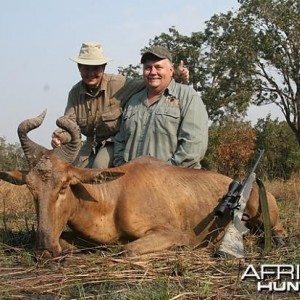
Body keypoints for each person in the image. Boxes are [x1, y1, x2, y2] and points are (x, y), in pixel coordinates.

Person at [52, 42, 189, 168]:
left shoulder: (119, 84)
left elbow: (151, 81)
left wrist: (177, 74)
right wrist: (59, 137)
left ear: (104, 67)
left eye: (96, 69)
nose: (91, 73)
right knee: (73, 173)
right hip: (90, 144)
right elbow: (69, 124)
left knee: (99, 168)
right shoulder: (75, 93)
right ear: (79, 68)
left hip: (113, 142)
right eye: (86, 68)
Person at [113, 46, 208, 168]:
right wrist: (124, 169)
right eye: (148, 68)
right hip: (133, 182)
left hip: (175, 181)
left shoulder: (188, 97)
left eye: (158, 67)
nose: (153, 72)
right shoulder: (132, 101)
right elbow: (119, 142)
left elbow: (193, 145)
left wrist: (164, 173)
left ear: (171, 70)